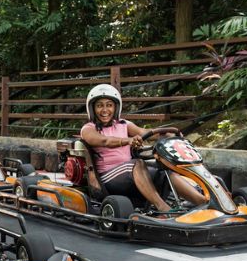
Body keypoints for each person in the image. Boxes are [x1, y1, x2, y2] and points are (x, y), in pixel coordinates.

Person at [80, 84, 206, 212]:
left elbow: (145, 132)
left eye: (109, 105)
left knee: (164, 170)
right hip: (107, 177)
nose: (105, 110)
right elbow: (105, 141)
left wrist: (167, 134)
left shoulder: (124, 124)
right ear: (92, 108)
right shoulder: (88, 129)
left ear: (115, 107)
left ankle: (202, 202)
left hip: (131, 171)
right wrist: (128, 141)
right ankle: (162, 207)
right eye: (100, 105)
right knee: (138, 163)